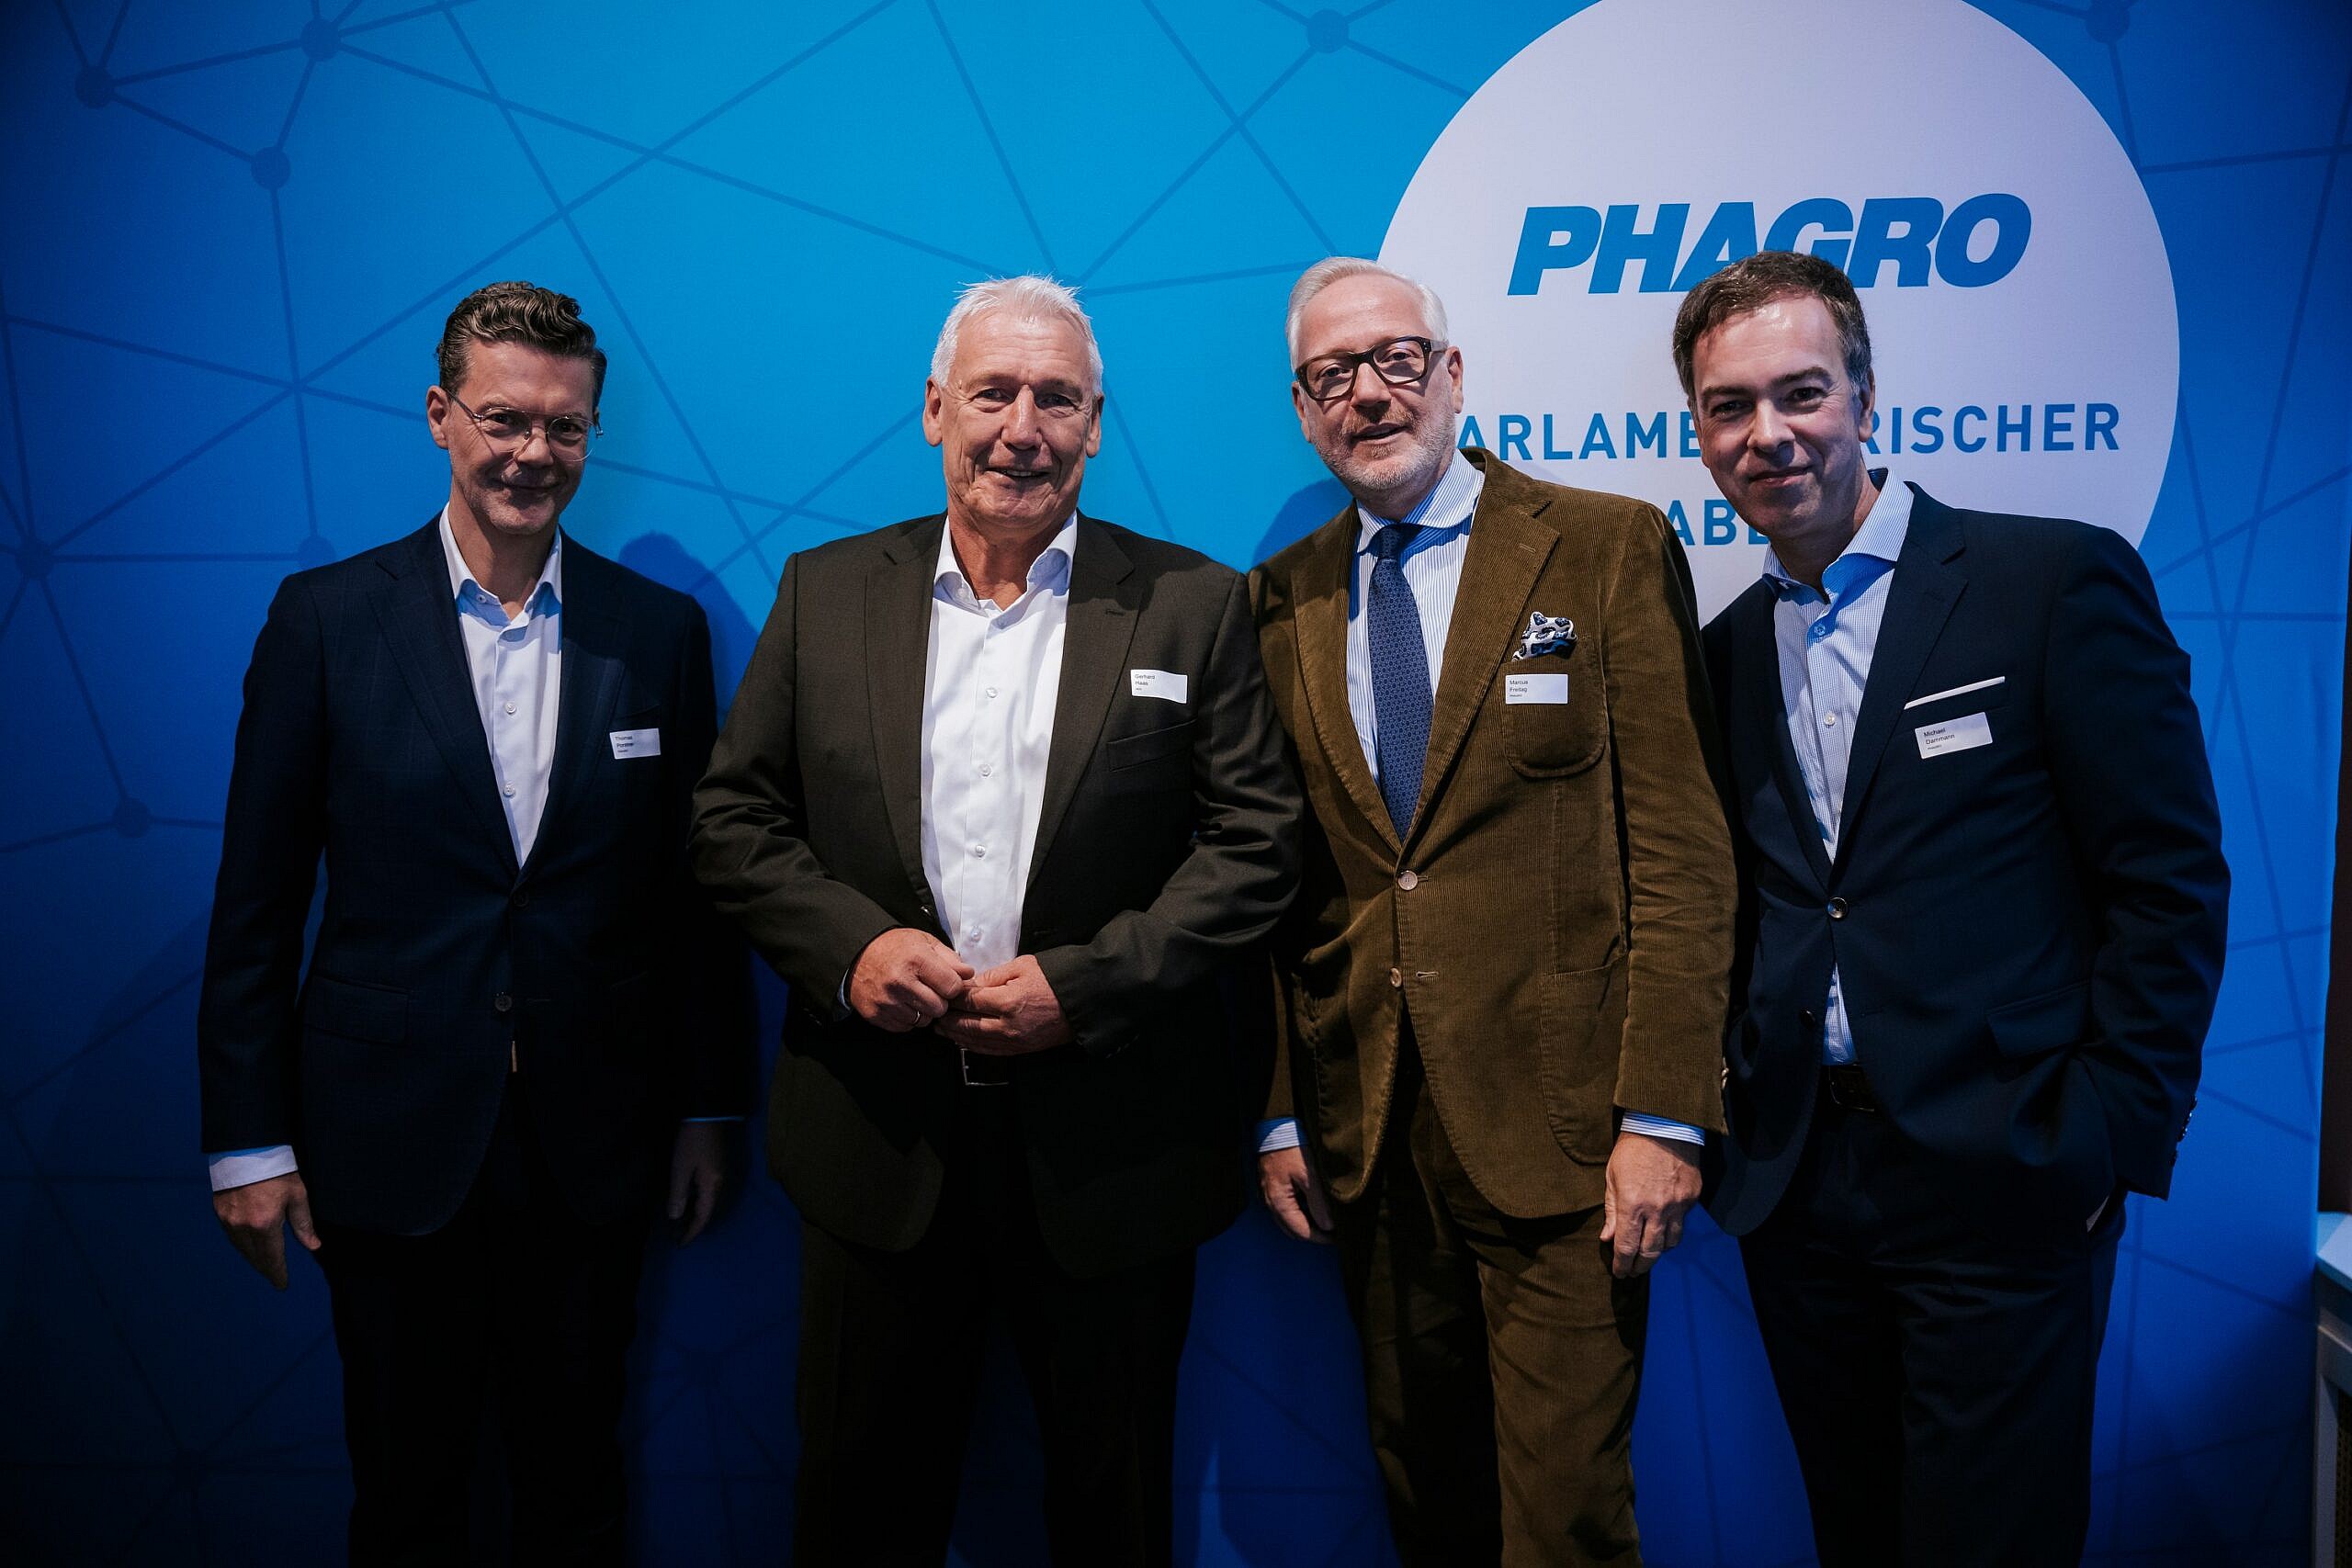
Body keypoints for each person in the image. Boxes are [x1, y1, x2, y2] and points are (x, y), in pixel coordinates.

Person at [690, 275, 1299, 1567]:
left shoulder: (1192, 604)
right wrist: (850, 950)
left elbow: (1257, 848)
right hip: (877, 1144)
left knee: (1113, 1520)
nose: (1024, 428)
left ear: (1096, 426)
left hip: (1115, 1156)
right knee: (858, 1521)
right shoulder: (825, 591)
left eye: (1057, 400)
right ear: (934, 411)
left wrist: (1087, 986)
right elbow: (733, 821)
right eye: (993, 394)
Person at [1681, 249, 2229, 1567]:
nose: (1768, 434)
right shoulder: (1721, 652)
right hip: (1801, 1187)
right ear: (1698, 433)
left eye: (1802, 392)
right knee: (1855, 1536)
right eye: (1729, 407)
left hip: (2004, 1175)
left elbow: (2167, 876)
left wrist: (2105, 1132)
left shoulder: (2049, 584)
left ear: (1867, 396)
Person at [198, 280, 752, 1566]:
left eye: (564, 427)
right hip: (384, 1145)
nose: (532, 453)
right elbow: (257, 902)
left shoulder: (657, 633)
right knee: (407, 1497)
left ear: (592, 432)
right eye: (504, 419)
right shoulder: (325, 621)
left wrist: (710, 1107)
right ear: (441, 416)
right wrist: (245, 1144)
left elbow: (693, 899)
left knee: (577, 1490)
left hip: (593, 1144)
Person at [1250, 257, 1735, 1565]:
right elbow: (1281, 884)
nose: (1368, 393)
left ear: (1454, 373)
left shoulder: (1602, 545)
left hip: (1569, 1137)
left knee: (1568, 1520)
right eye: (1331, 375)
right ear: (1303, 409)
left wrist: (1665, 1111)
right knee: (1429, 1502)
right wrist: (1285, 1107)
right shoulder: (1280, 599)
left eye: (1396, 359)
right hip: (1369, 1132)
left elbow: (1682, 854)